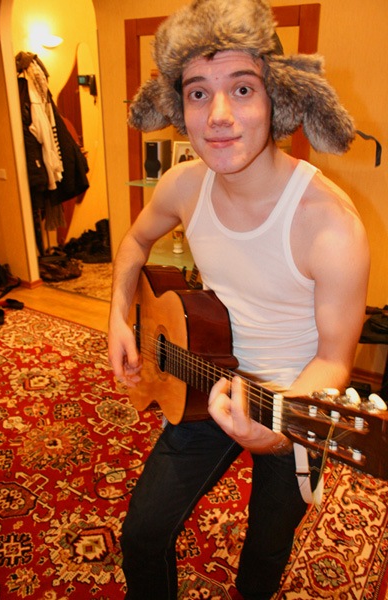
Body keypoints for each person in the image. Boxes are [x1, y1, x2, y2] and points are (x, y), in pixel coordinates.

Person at [108, 0, 370, 597]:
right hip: (201, 378)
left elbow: (333, 360)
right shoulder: (181, 185)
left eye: (243, 89)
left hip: (291, 409)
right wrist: (119, 315)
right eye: (198, 93)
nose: (219, 116)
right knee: (141, 536)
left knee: (264, 552)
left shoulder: (330, 226)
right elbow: (134, 241)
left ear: (277, 97)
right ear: (179, 108)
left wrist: (272, 434)